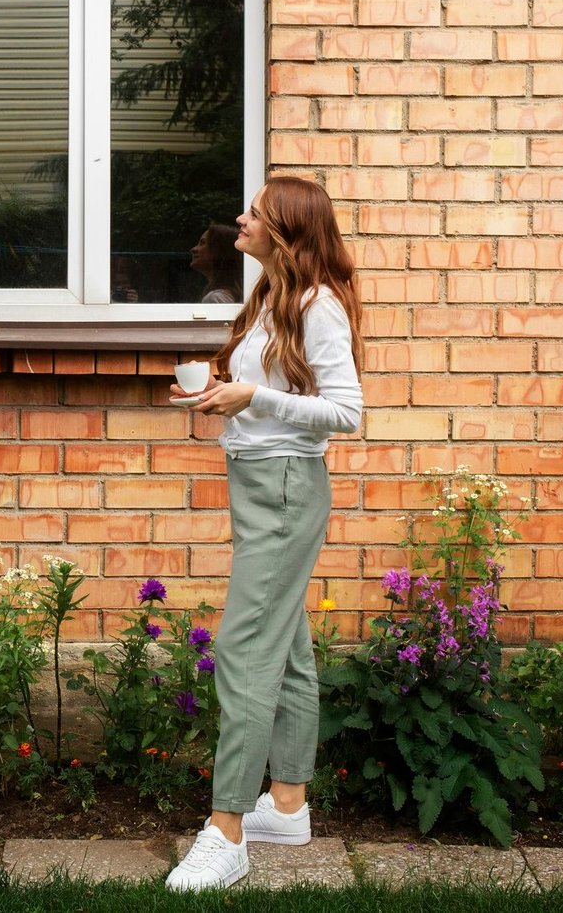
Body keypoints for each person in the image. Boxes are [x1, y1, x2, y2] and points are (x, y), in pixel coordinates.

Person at [163, 177, 364, 891]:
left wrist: (255, 396)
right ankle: (286, 805)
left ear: (285, 231)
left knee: (244, 651)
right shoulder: (272, 299)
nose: (239, 219)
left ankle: (226, 831)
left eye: (254, 212)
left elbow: (347, 411)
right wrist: (225, 396)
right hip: (261, 484)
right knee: (289, 647)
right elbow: (275, 399)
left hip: (284, 489)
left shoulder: (317, 306)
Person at [190, 222, 242, 304]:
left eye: (202, 243)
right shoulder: (228, 295)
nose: (193, 249)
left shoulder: (215, 298)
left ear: (218, 250)